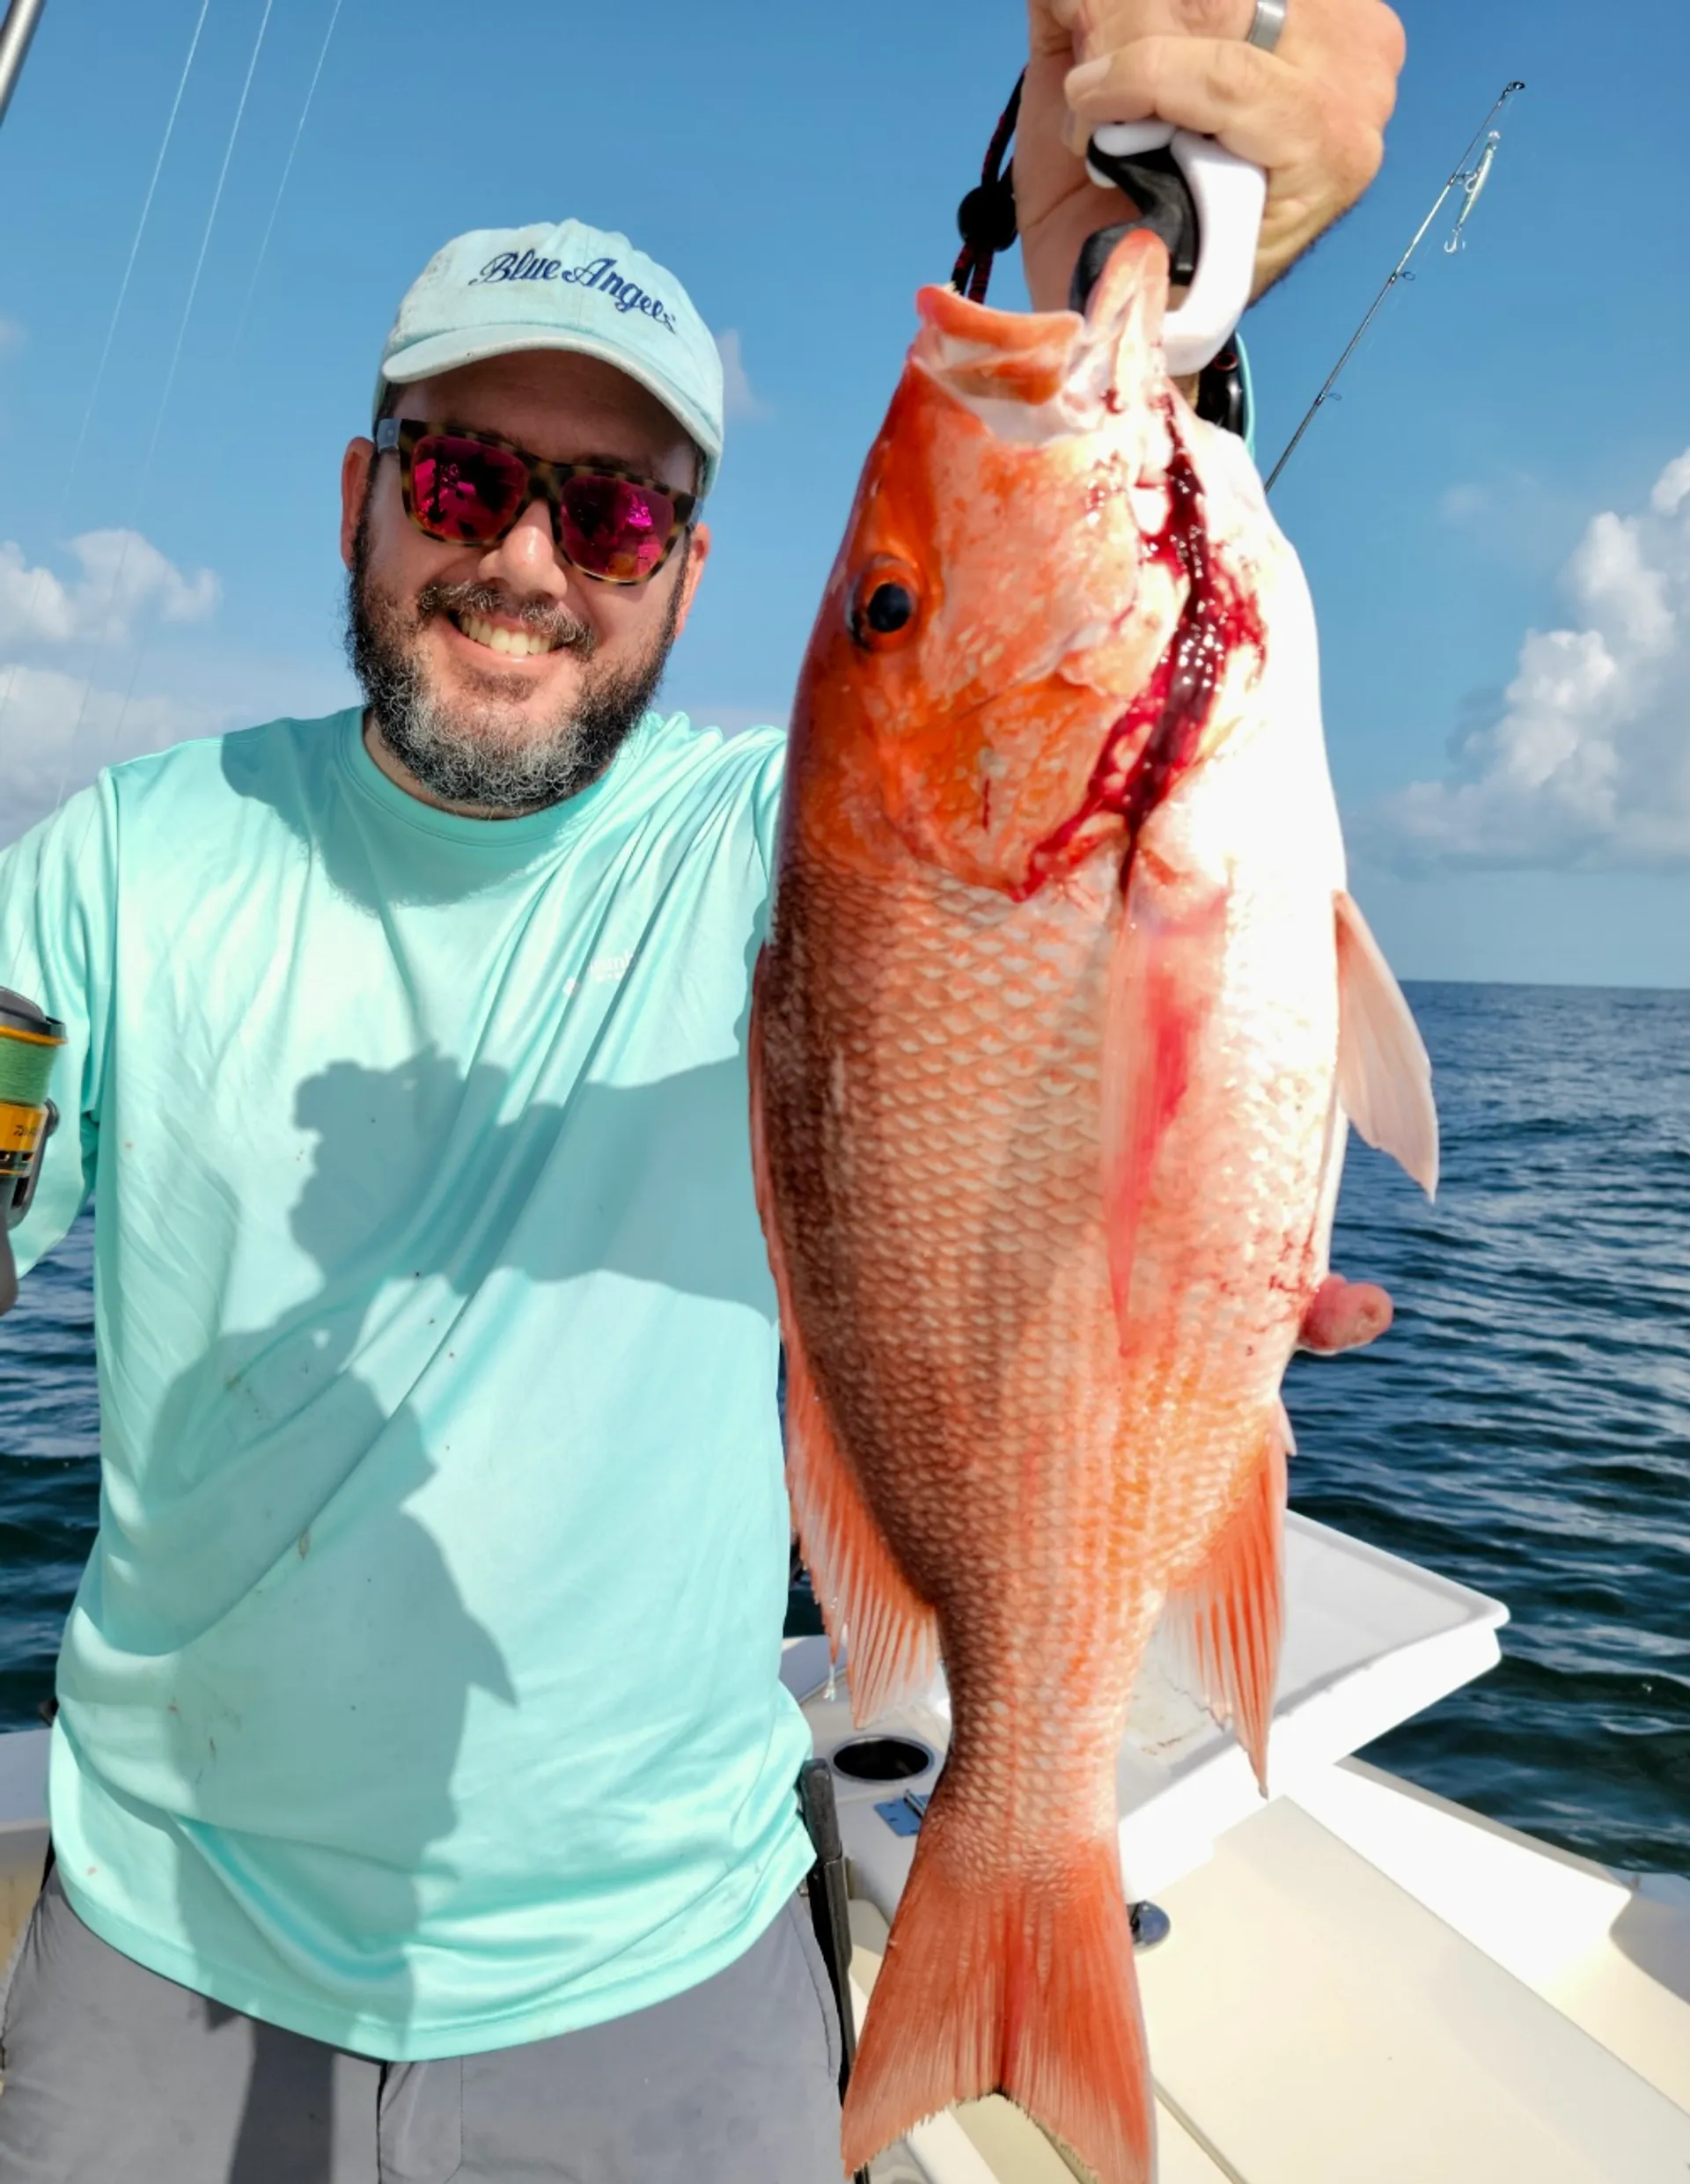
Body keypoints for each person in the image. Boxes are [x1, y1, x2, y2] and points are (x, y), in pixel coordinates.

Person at [0, 4, 1405, 2178]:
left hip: (666, 1973)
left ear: (695, 574)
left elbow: (1070, 699)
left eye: (617, 517)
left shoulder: (803, 845)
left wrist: (1156, 202)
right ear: (366, 493)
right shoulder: (118, 862)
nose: (530, 565)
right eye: (467, 479)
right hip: (161, 1935)